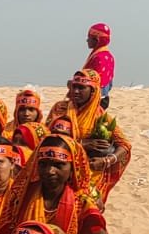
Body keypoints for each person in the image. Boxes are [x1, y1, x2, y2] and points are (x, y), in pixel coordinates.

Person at [46, 70, 131, 202]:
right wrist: (82, 143)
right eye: (74, 86)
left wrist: (106, 161)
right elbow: (47, 137)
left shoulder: (100, 116)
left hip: (89, 171)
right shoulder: (60, 109)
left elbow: (124, 145)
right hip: (59, 168)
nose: (76, 91)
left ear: (93, 91)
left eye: (81, 88)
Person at [83, 23, 115, 109]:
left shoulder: (99, 58)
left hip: (95, 99)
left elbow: (93, 80)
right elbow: (109, 82)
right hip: (104, 98)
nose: (87, 40)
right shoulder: (108, 56)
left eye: (89, 38)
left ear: (96, 40)